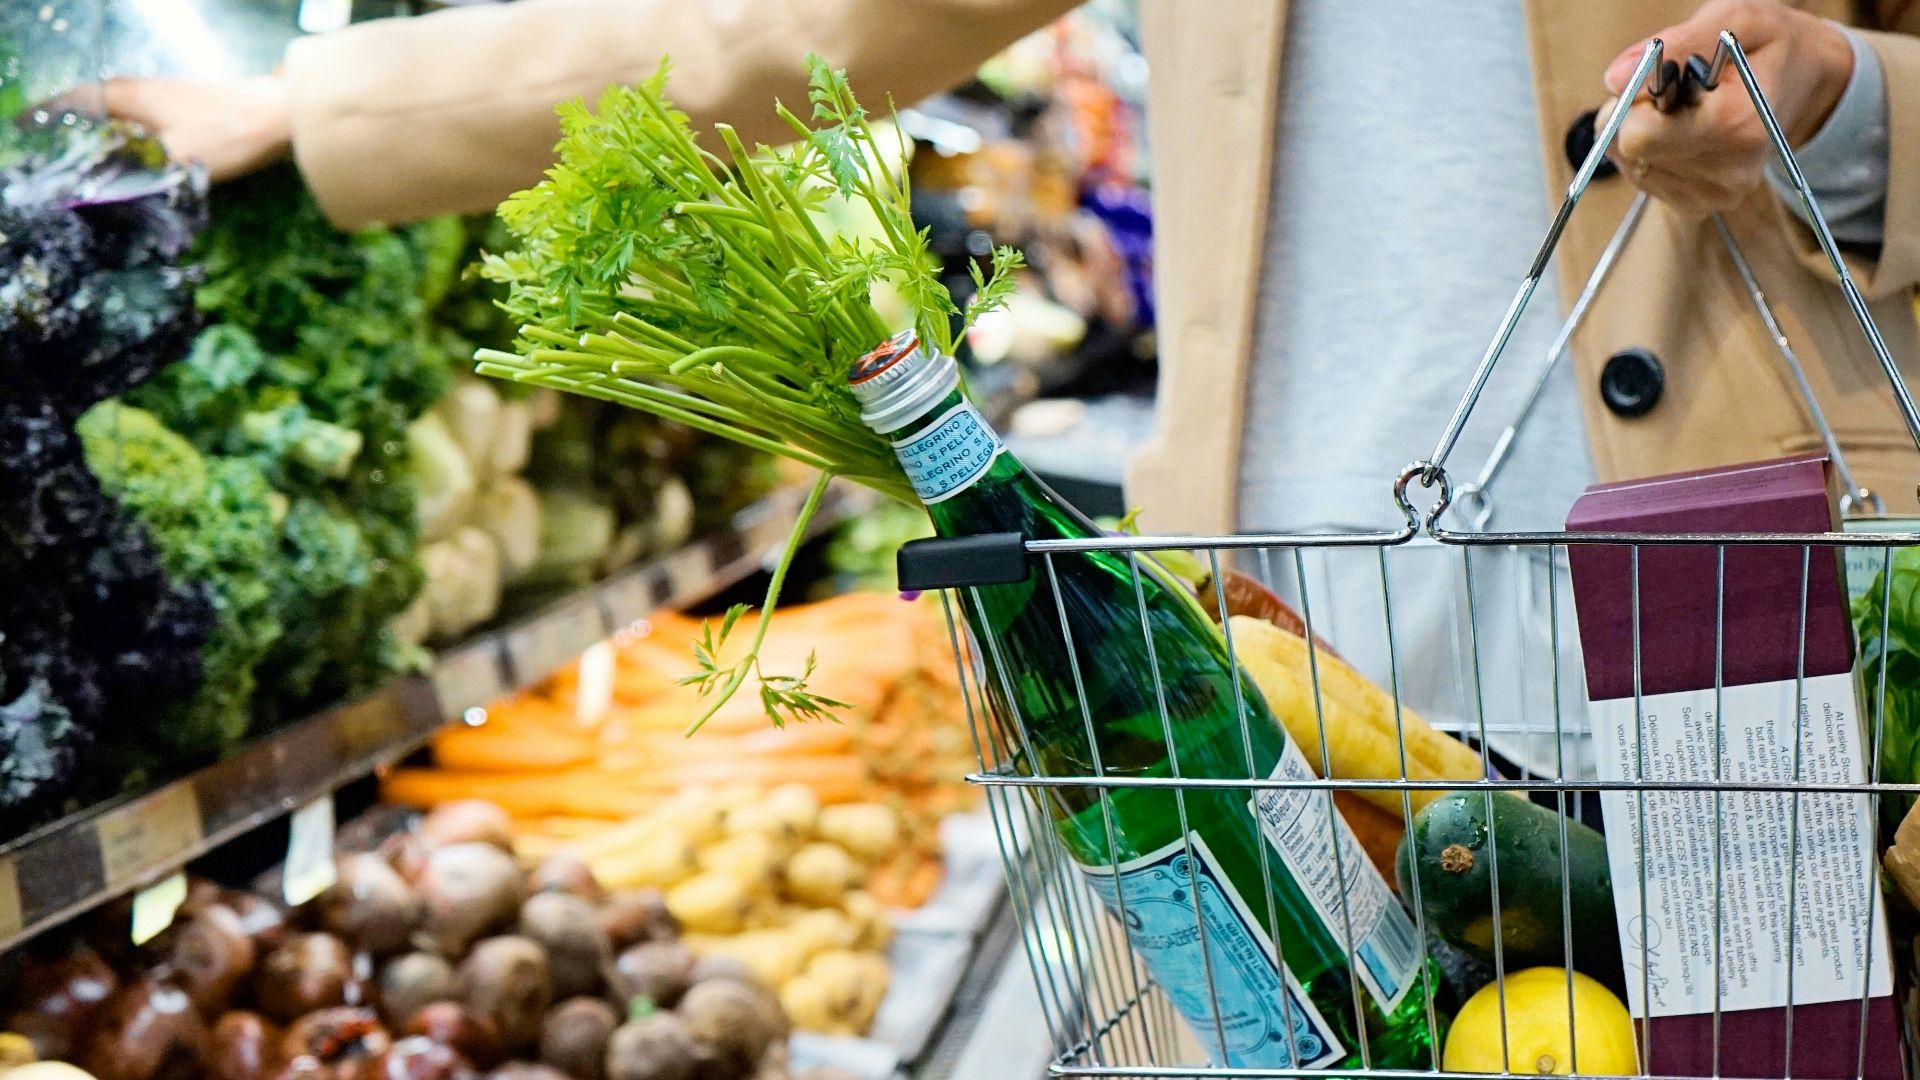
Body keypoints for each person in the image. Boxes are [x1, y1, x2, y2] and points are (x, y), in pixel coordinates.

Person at [85, 0, 1920, 778]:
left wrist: (1853, 118)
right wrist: (324, 110)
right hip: (1286, 637)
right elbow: (758, 32)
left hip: (1770, 617)